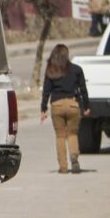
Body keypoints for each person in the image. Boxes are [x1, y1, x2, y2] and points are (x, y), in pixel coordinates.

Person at [40, 44, 91, 174]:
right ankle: (74, 157)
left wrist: (43, 108)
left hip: (57, 105)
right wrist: (86, 106)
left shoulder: (51, 71)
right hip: (73, 104)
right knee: (72, 134)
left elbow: (46, 91)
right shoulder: (76, 69)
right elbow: (83, 89)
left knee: (60, 136)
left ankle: (63, 167)